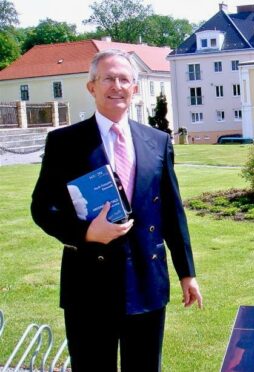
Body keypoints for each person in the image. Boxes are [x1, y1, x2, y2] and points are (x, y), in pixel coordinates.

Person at [31, 49, 202, 372]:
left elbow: (171, 212)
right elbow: (42, 207)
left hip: (146, 281)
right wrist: (85, 233)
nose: (117, 86)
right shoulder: (65, 142)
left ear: (135, 88)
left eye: (124, 79)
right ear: (91, 86)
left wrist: (187, 273)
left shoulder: (158, 141)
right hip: (89, 285)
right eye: (108, 78)